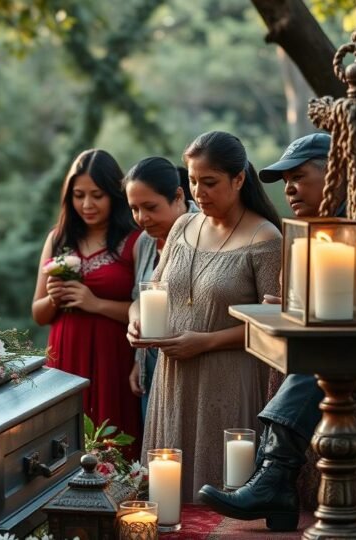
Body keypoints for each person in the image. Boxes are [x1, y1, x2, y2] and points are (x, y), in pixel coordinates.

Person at [198, 132, 356, 530]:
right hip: (347, 340)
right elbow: (309, 290)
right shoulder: (315, 219)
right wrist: (295, 300)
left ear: (337, 172)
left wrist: (334, 265)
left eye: (297, 176)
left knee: (324, 355)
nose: (288, 189)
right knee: (309, 350)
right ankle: (274, 482)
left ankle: (273, 479)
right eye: (283, 181)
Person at [128, 131, 283, 502]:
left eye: (210, 182)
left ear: (239, 179)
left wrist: (206, 341)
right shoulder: (182, 226)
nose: (199, 192)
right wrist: (136, 320)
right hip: (173, 377)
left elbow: (274, 326)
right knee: (168, 493)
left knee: (221, 487)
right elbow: (151, 290)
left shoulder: (265, 239)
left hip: (229, 378)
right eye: (194, 181)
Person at [32, 149, 141, 453]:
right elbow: (38, 313)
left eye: (97, 195)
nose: (87, 204)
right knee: (65, 441)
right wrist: (54, 299)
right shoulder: (58, 238)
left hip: (114, 356)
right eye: (79, 195)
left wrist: (95, 304)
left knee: (113, 440)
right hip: (66, 353)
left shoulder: (135, 240)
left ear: (114, 194)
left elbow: (149, 312)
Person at [123, 157, 198, 424]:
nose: (142, 218)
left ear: (178, 196)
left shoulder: (204, 233)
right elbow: (138, 299)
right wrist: (138, 355)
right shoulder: (145, 241)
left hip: (192, 367)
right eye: (134, 209)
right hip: (151, 367)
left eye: (150, 207)